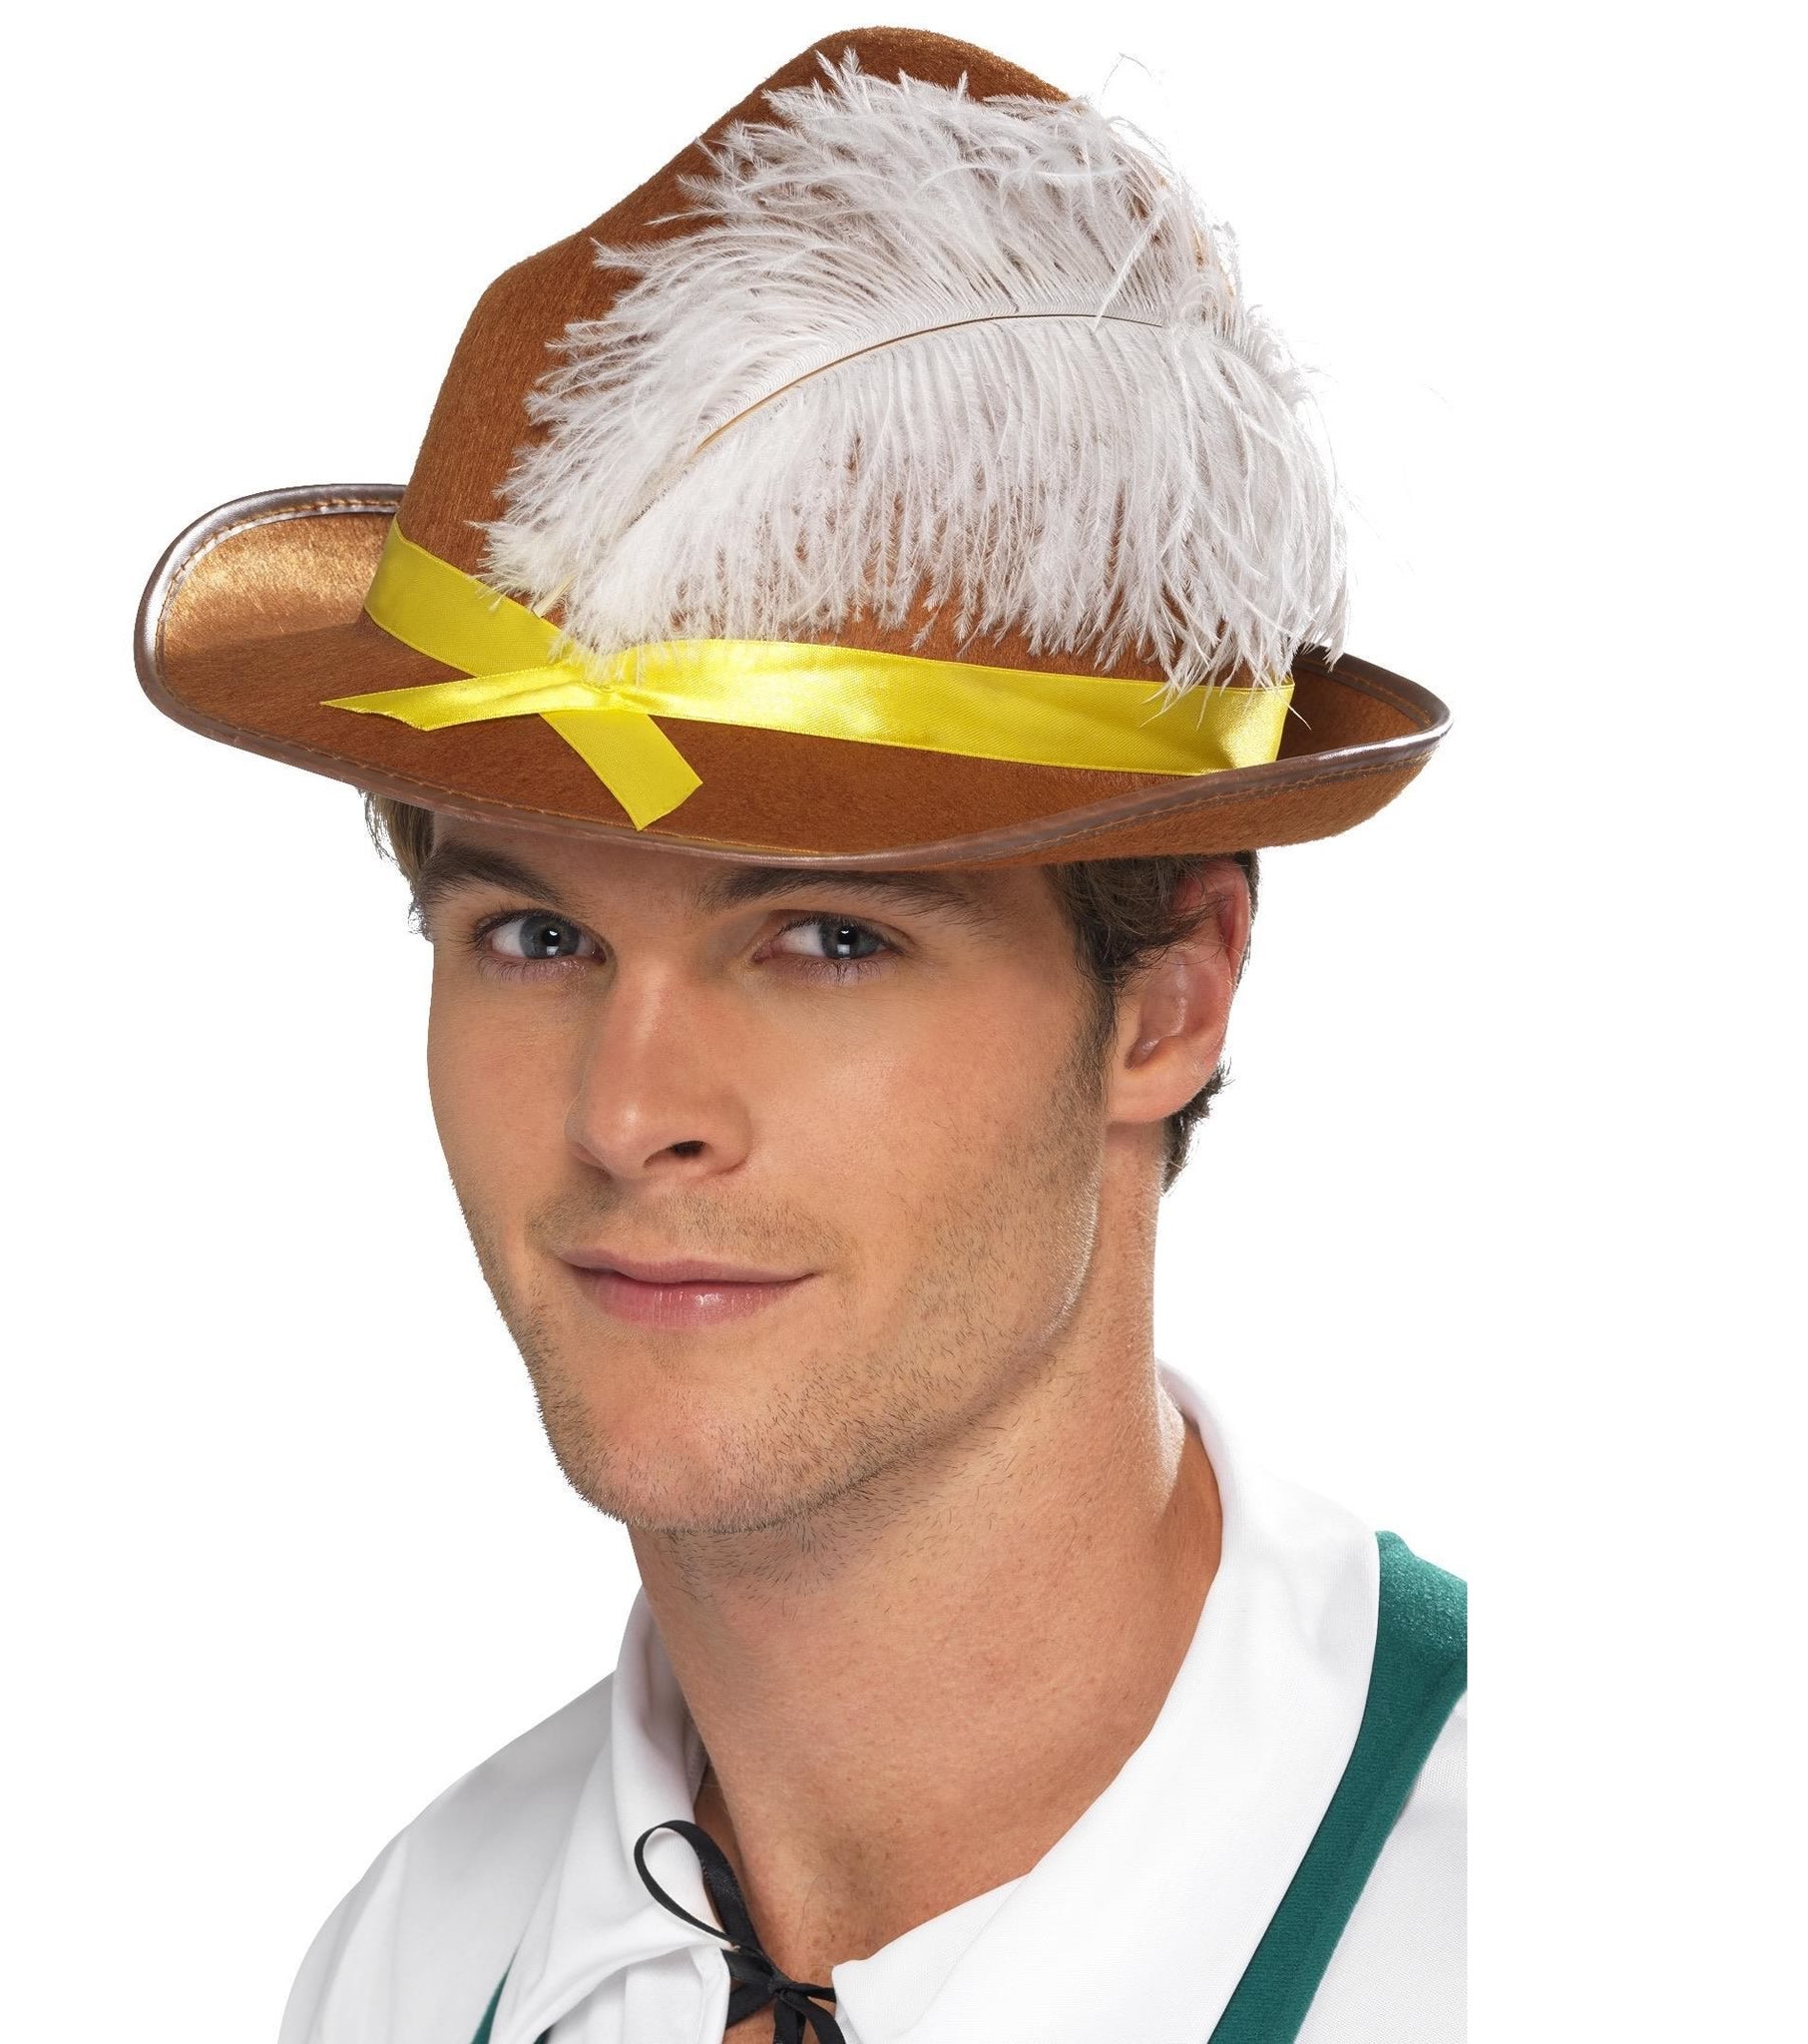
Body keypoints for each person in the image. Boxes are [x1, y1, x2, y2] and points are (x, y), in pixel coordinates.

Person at [133, 27, 1462, 2044]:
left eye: (828, 937)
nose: (628, 1110)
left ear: (1171, 995)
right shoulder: (423, 1959)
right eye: (535, 931)